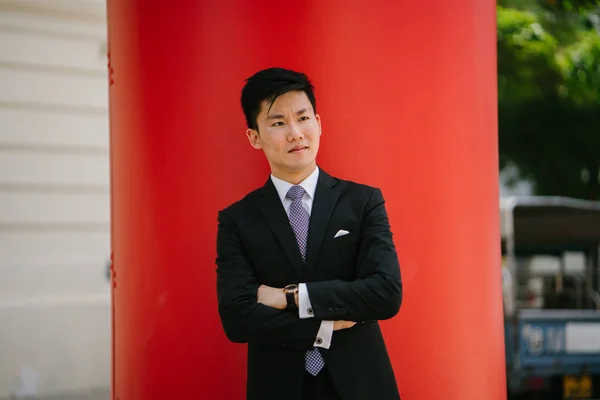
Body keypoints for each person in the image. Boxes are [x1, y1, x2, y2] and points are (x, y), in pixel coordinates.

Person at [216, 67, 403, 400]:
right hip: (278, 386)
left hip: (361, 384)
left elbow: (385, 293)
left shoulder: (362, 202)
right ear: (254, 137)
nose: (295, 133)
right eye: (277, 123)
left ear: (318, 123)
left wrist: (291, 297)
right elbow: (237, 317)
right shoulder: (238, 220)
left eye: (302, 118)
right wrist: (323, 327)